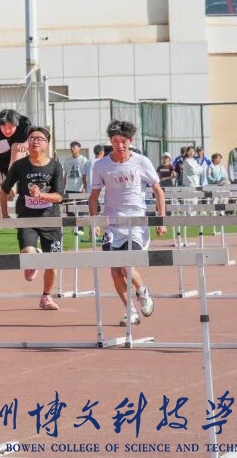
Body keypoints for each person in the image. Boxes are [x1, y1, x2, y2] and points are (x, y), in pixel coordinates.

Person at [89, 120, 166, 326]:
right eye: (115, 141)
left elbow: (158, 191)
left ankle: (142, 290)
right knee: (115, 270)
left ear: (130, 141)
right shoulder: (101, 165)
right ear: (110, 142)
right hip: (112, 223)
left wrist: (161, 220)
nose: (120, 145)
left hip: (135, 223)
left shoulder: (141, 162)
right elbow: (93, 196)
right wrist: (95, 222)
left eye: (124, 141)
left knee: (126, 266)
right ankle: (130, 311)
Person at [0, 126, 65, 310]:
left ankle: (46, 297)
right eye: (32, 138)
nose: (35, 141)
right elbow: (4, 190)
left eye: (40, 138)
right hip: (27, 220)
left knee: (52, 263)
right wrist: (4, 214)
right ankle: (34, 256)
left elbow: (59, 197)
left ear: (47, 143)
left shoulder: (55, 166)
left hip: (50, 220)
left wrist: (41, 195)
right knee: (29, 263)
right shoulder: (19, 166)